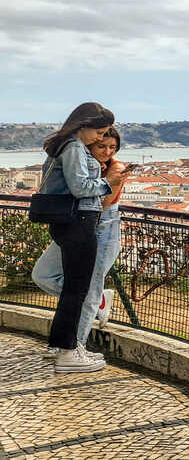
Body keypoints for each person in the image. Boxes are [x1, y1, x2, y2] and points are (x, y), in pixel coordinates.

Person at [35, 102, 123, 373]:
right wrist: (110, 183)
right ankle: (69, 352)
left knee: (76, 290)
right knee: (78, 291)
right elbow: (81, 187)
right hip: (78, 221)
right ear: (84, 125)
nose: (100, 137)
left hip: (68, 221)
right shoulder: (73, 147)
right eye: (100, 132)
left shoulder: (63, 145)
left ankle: (65, 347)